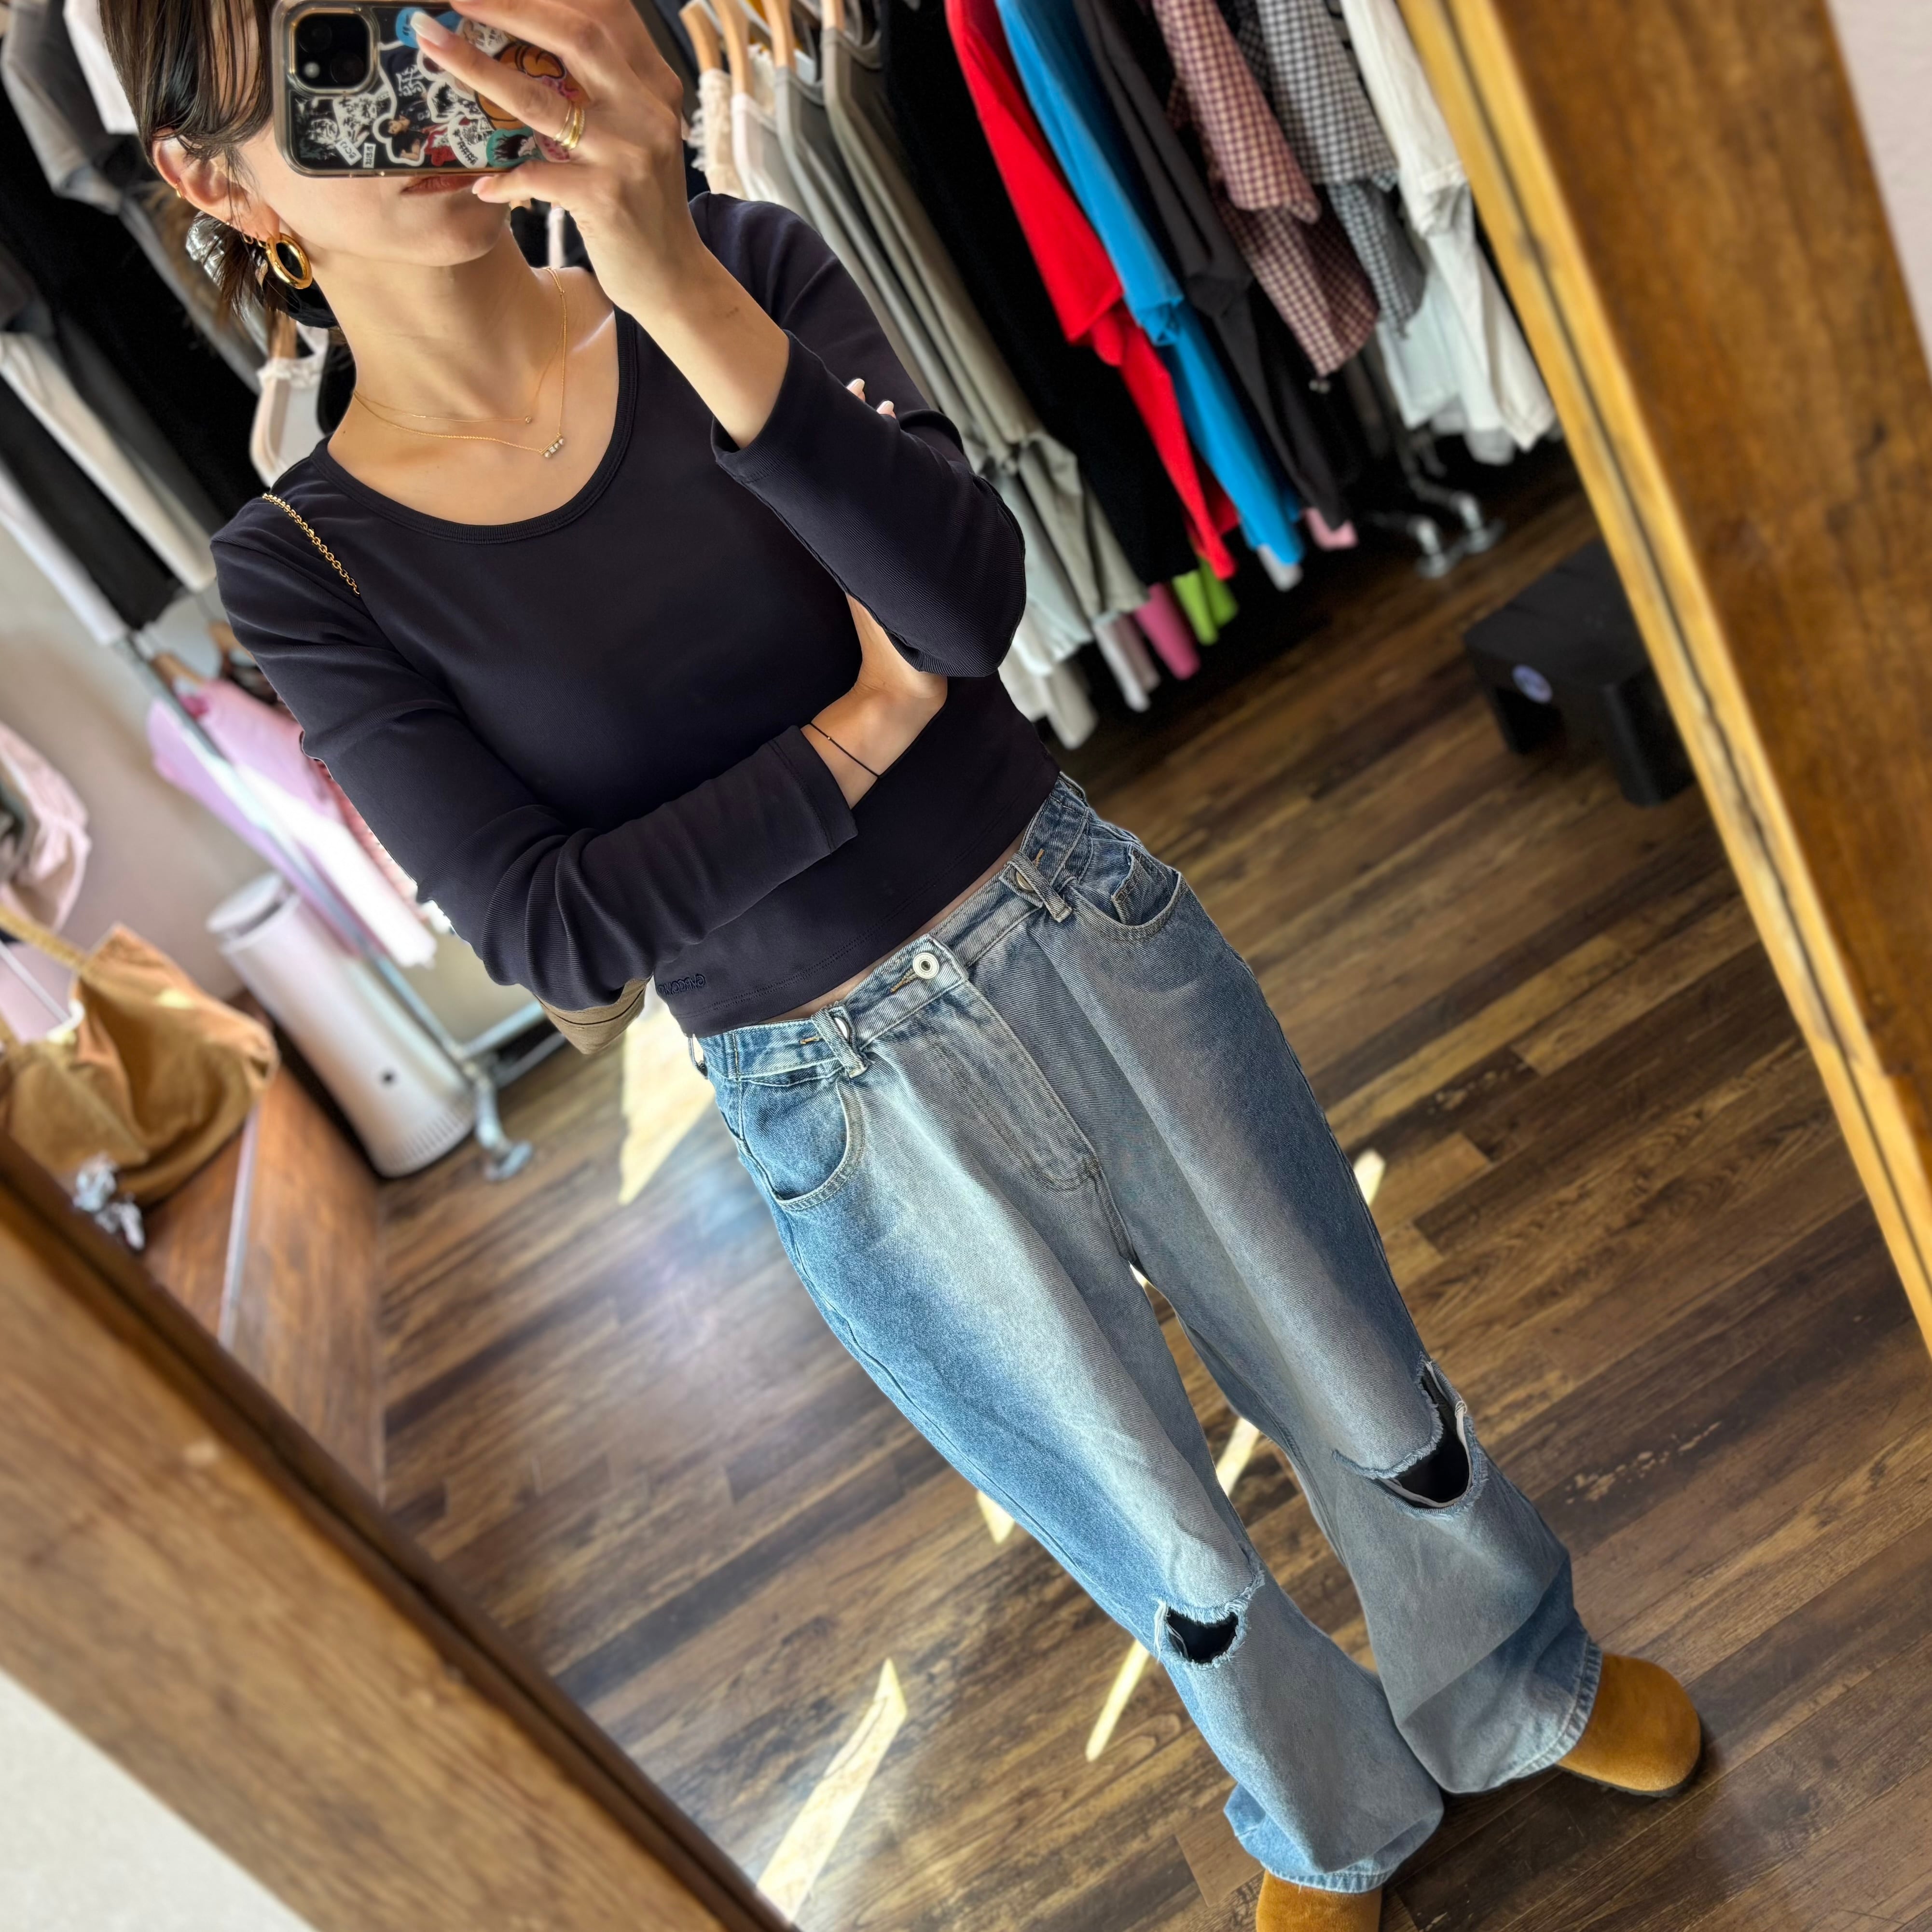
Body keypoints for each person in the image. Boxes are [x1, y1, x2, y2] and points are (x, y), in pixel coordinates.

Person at [112, 0, 1703, 1920]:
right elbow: (554, 931)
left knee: (1368, 1388)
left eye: (399, 27)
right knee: (1158, 1542)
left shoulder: (738, 264)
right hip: (832, 1097)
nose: (398, 103)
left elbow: (966, 601)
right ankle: (1329, 1817)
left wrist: (666, 273)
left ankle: (1512, 1683)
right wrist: (859, 730)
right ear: (212, 178)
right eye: (312, 74)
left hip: (1079, 926)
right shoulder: (308, 564)